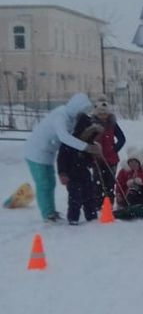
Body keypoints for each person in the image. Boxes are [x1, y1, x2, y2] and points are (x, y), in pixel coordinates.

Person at [23, 92, 102, 221]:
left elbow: (76, 137)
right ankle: (47, 214)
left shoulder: (71, 118)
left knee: (50, 183)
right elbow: (64, 137)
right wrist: (86, 147)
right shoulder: (60, 116)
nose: (80, 114)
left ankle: (51, 211)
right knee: (44, 184)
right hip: (35, 152)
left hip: (48, 153)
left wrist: (91, 143)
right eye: (80, 110)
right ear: (75, 107)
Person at [56, 113, 103, 226]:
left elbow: (89, 159)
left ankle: (91, 216)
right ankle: (73, 218)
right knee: (74, 199)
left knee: (89, 196)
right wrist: (62, 173)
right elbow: (61, 159)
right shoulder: (68, 142)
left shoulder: (87, 144)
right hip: (71, 175)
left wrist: (94, 157)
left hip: (84, 173)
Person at [91, 97, 126, 204]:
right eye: (100, 114)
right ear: (96, 114)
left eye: (105, 114)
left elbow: (122, 139)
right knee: (98, 182)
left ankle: (109, 203)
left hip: (111, 158)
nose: (103, 117)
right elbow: (86, 139)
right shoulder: (92, 125)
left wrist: (114, 149)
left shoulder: (112, 124)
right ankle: (98, 204)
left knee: (110, 182)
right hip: (96, 158)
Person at [114, 148, 143, 217]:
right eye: (131, 162)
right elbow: (119, 186)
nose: (133, 164)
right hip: (128, 197)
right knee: (132, 191)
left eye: (135, 162)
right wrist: (119, 195)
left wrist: (142, 184)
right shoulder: (123, 172)